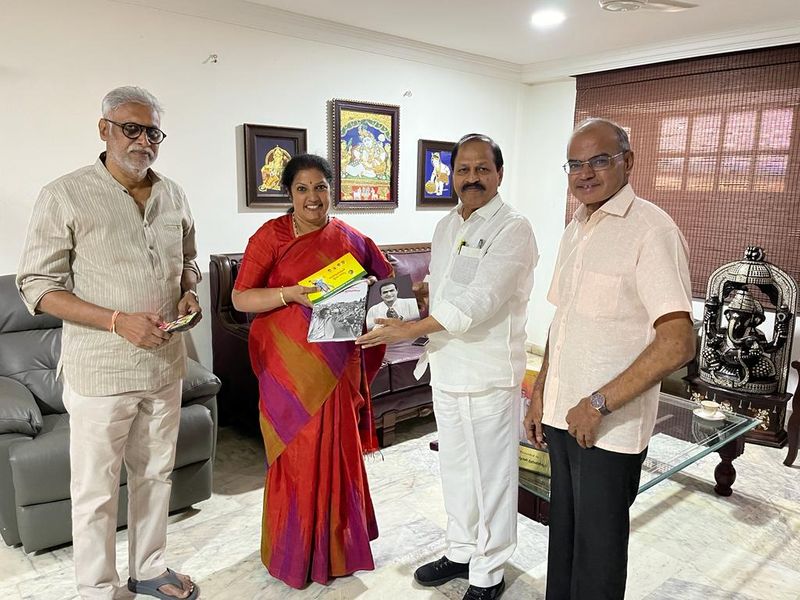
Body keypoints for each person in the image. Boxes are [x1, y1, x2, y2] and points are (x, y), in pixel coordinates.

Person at [16, 86, 200, 600]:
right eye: (131, 129)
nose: (143, 141)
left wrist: (188, 291)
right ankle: (98, 588)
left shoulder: (173, 194)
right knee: (96, 489)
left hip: (165, 365)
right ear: (105, 130)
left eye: (153, 132)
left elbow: (188, 259)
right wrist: (118, 321)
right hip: (100, 371)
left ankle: (149, 569)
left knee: (156, 475)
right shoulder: (64, 194)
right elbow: (37, 286)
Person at [358, 133, 538, 600]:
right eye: (463, 169)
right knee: (456, 469)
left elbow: (480, 300)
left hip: (488, 374)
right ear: (452, 176)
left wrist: (409, 328)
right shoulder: (446, 226)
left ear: (499, 173)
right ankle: (461, 550)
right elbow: (446, 286)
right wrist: (412, 295)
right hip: (446, 367)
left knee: (492, 477)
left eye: (482, 168)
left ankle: (489, 570)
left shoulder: (513, 229)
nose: (472, 178)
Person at [523, 118, 696, 600]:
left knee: (597, 556)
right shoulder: (575, 229)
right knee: (564, 541)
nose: (585, 173)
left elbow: (678, 343)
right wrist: (541, 391)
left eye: (599, 160)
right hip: (562, 417)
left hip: (608, 429)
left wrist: (597, 403)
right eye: (575, 164)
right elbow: (563, 323)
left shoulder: (652, 231)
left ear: (628, 161)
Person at [231, 154, 392, 589]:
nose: (312, 197)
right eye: (302, 189)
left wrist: (376, 297)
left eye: (320, 187)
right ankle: (294, 552)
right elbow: (241, 298)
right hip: (287, 369)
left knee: (338, 454)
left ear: (331, 190)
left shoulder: (353, 238)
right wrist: (292, 294)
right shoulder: (270, 237)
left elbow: (385, 287)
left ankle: (338, 550)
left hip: (337, 366)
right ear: (289, 193)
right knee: (296, 457)